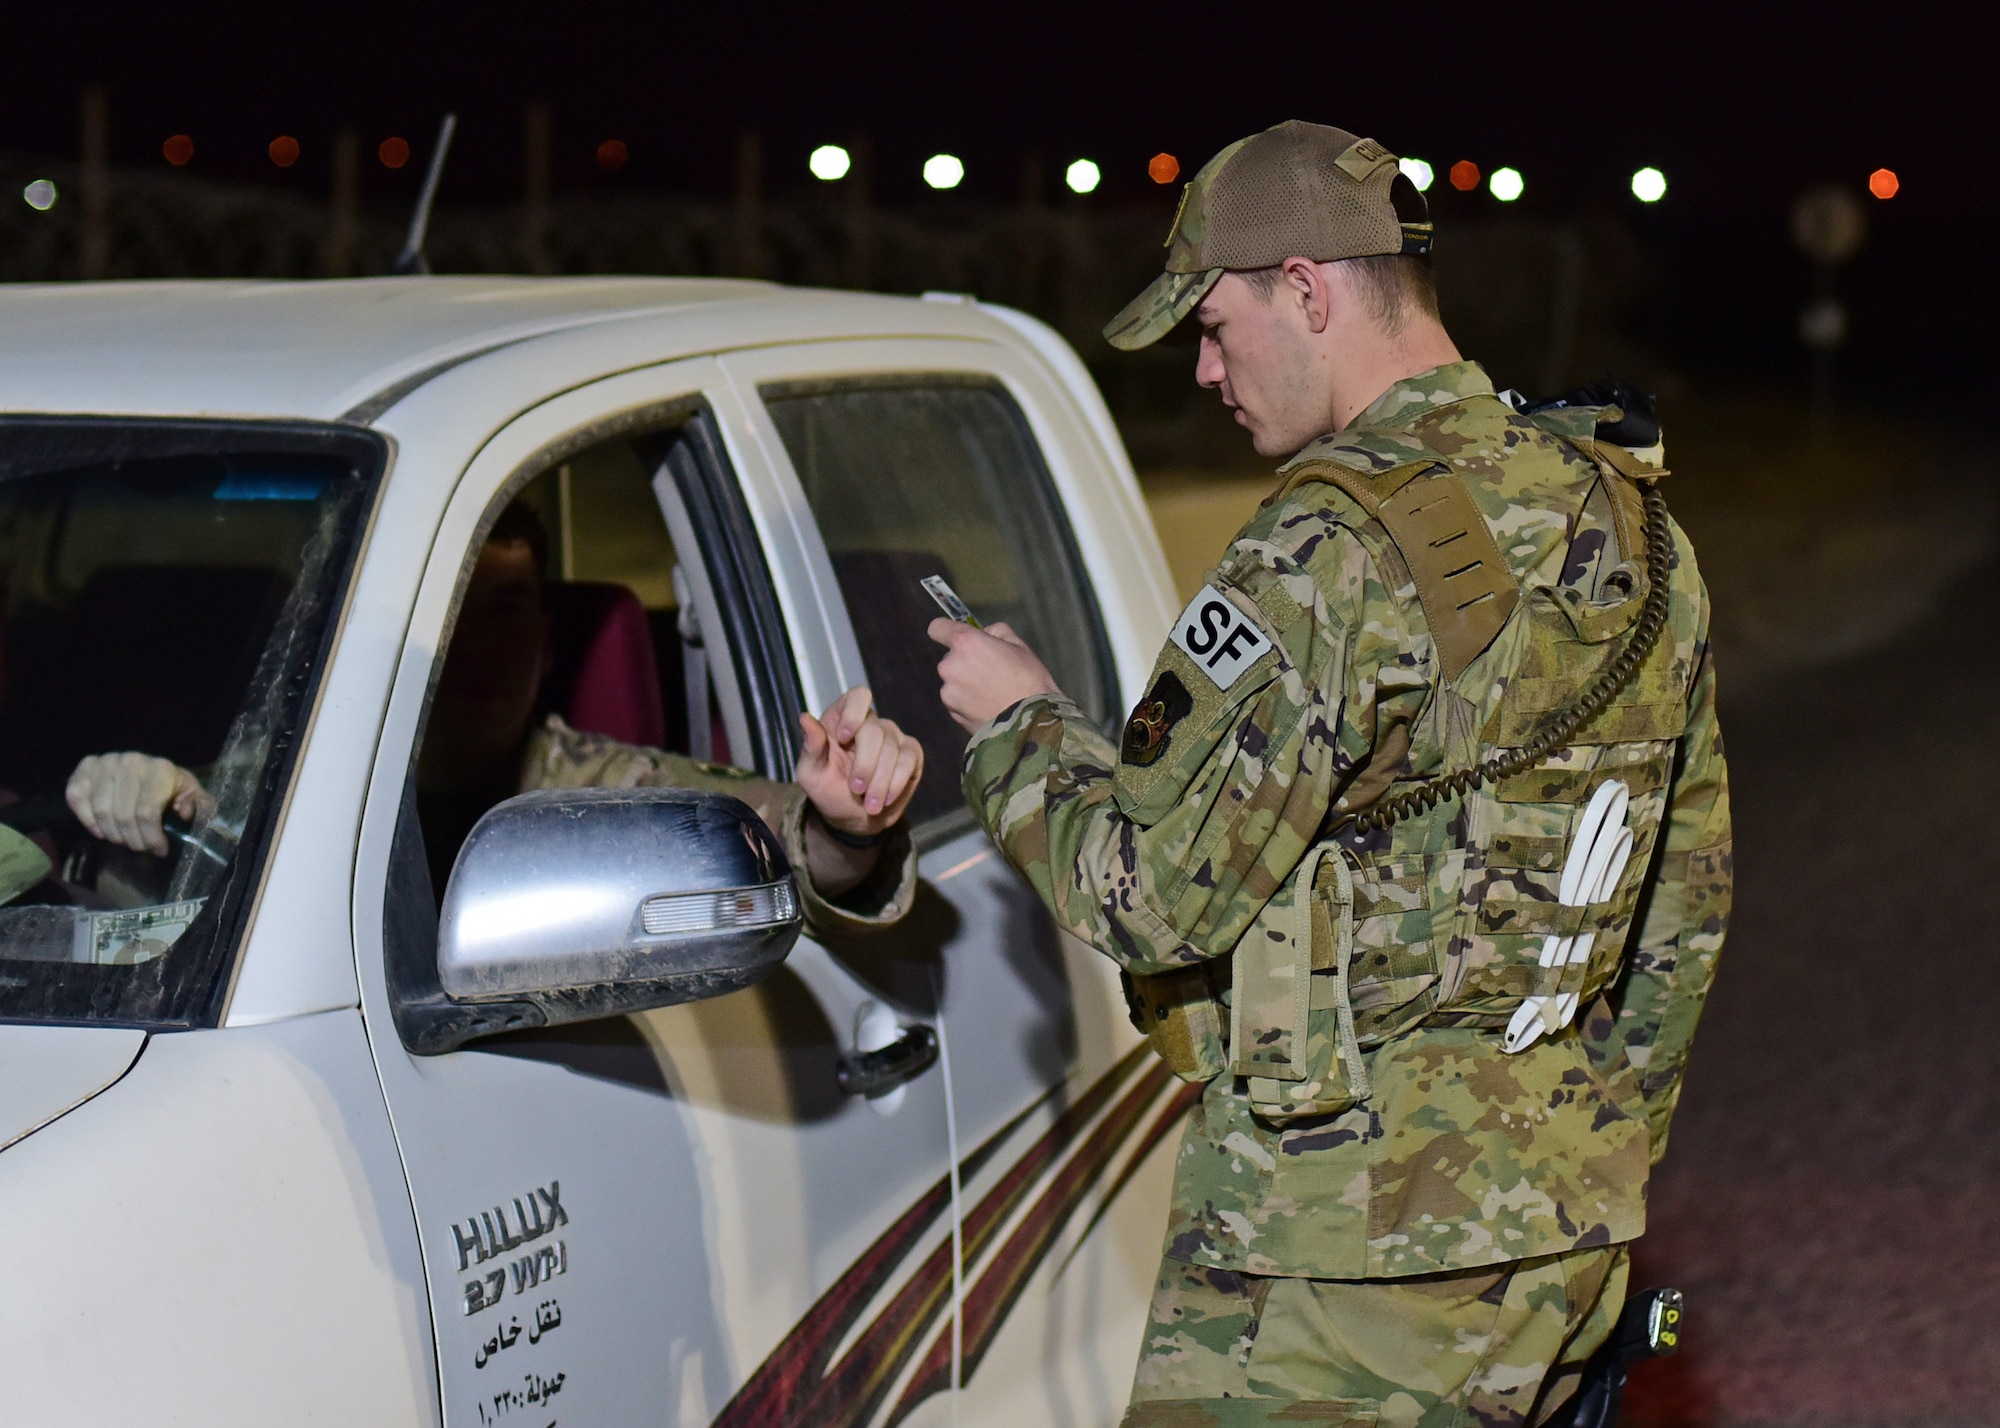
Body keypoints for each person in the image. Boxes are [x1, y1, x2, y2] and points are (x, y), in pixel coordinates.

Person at [931, 120, 1730, 1427]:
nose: (1202, 368)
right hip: (1558, 1237)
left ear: (1306, 289)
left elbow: (1149, 895)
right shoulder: (1632, 515)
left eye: (1212, 323)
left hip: (1331, 1268)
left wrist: (1021, 725)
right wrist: (1592, 1158)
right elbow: (1680, 911)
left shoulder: (1331, 541)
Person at [68, 501, 924, 935]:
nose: (476, 650)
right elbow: (180, 845)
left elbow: (781, 846)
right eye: (451, 619)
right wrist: (126, 800)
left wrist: (848, 828)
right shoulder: (299, 781)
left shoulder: (611, 787)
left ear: (548, 649)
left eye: (507, 613)